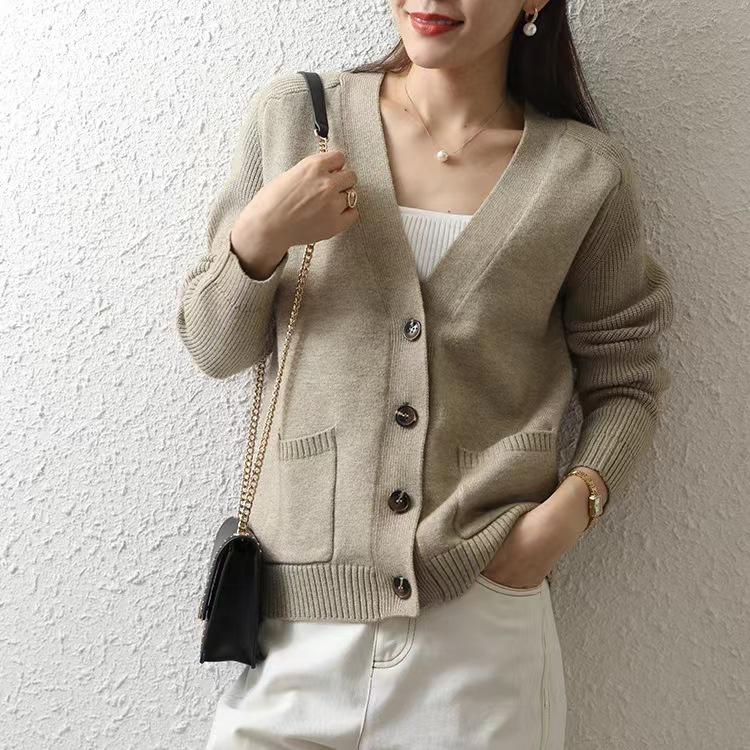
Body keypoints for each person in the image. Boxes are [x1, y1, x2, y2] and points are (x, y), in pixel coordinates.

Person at [175, 2, 674, 748]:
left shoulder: (582, 174)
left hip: (478, 629)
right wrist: (259, 236)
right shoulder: (298, 118)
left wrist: (563, 519)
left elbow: (627, 380)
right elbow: (216, 349)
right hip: (293, 627)